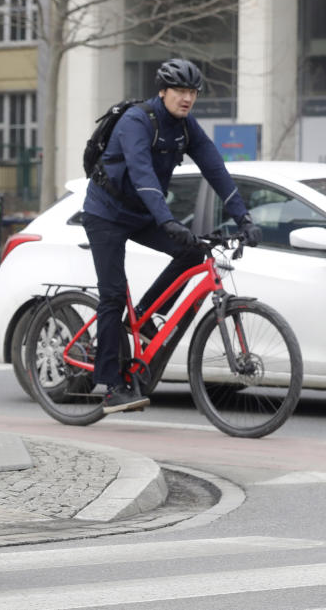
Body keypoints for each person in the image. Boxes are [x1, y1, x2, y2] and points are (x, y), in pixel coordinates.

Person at [82, 58, 261, 414]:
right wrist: (167, 221)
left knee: (193, 253)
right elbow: (143, 175)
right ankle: (110, 384)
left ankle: (147, 318)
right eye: (179, 91)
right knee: (114, 294)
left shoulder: (186, 127)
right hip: (106, 214)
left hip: (143, 213)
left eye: (192, 92)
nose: (187, 98)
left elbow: (216, 170)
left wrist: (244, 217)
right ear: (162, 91)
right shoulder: (137, 122)